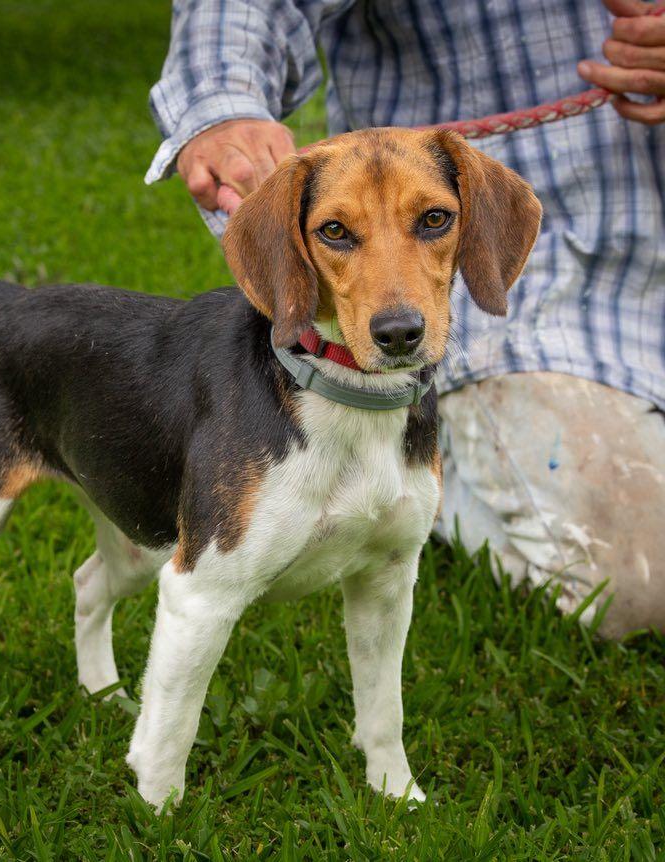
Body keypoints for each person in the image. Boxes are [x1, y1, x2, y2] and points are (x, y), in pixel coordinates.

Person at [145, 0, 665, 638]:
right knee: (633, 586)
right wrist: (222, 103)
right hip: (543, 302)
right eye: (335, 232)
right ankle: (420, 479)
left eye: (432, 221)